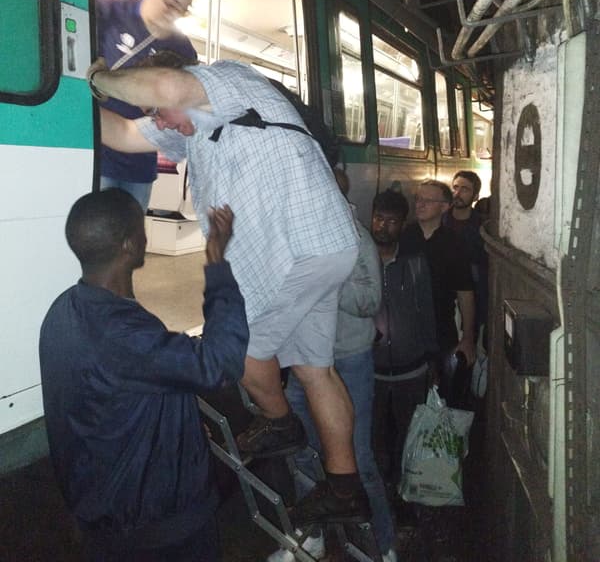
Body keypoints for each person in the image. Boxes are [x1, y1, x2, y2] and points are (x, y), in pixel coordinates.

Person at [86, 52, 367, 525]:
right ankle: (344, 487)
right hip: (318, 250)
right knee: (316, 372)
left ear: (185, 79)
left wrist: (99, 79)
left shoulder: (226, 81)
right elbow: (124, 133)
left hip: (297, 250)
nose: (159, 121)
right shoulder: (188, 126)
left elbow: (170, 91)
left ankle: (281, 425)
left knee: (239, 353)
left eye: (159, 110)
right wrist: (72, 87)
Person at [39, 189, 249, 562]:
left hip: (100, 516)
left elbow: (100, 409)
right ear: (131, 245)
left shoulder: (62, 311)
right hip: (158, 531)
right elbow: (220, 363)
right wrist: (216, 262)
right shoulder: (125, 335)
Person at [268, 170, 397, 562]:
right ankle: (312, 537)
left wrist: (328, 278)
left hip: (348, 362)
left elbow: (370, 302)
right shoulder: (293, 235)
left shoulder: (356, 239)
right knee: (302, 451)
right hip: (304, 359)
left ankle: (383, 544)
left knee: (358, 457)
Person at [98, 0, 198, 212]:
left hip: (139, 162)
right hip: (96, 153)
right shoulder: (107, 12)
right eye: (170, 3)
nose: (174, 15)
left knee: (129, 242)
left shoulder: (182, 49)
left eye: (182, 9)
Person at [371, 188, 438, 505]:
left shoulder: (415, 264)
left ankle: (402, 496)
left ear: (403, 224)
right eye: (378, 219)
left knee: (408, 436)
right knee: (373, 437)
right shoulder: (360, 263)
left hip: (412, 370)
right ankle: (376, 494)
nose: (383, 226)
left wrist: (431, 361)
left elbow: (426, 311)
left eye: (391, 221)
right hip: (369, 371)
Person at [401, 180, 476, 402]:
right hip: (406, 330)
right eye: (418, 199)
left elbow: (465, 293)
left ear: (444, 207)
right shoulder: (404, 237)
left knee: (441, 395)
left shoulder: (454, 244)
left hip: (441, 329)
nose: (420, 205)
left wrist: (468, 338)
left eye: (428, 201)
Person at [443, 171, 490, 351]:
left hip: (474, 300)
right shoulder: (440, 221)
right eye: (455, 187)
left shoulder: (482, 230)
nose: (458, 193)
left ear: (475, 196)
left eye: (465, 189)